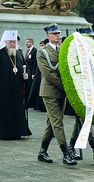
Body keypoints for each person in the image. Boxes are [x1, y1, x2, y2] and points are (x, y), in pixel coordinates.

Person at [36, 23, 77, 166]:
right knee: (58, 123)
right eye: (54, 33)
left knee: (52, 122)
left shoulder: (62, 50)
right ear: (48, 36)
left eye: (58, 33)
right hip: (50, 91)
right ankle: (66, 153)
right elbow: (49, 74)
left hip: (61, 92)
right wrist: (66, 87)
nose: (58, 35)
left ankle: (42, 151)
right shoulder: (42, 52)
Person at [67, 28, 94, 161]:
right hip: (81, 91)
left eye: (92, 37)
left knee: (82, 121)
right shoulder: (77, 53)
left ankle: (71, 147)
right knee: (84, 120)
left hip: (92, 91)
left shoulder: (93, 52)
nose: (92, 39)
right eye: (89, 37)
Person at [0, 30, 31, 140]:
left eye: (14, 42)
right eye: (10, 42)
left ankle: (18, 131)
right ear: (5, 42)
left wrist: (26, 75)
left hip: (17, 89)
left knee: (18, 109)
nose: (13, 44)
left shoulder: (19, 54)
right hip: (4, 90)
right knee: (5, 111)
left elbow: (27, 69)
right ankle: (5, 133)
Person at [28, 40, 46, 112]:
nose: (41, 47)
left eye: (42, 45)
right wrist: (33, 73)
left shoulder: (41, 52)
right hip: (37, 73)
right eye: (40, 45)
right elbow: (36, 64)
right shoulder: (39, 52)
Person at [25, 38, 37, 107]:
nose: (26, 43)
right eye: (26, 42)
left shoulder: (34, 51)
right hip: (27, 73)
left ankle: (32, 103)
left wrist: (33, 73)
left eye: (28, 42)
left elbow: (35, 63)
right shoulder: (27, 51)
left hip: (32, 73)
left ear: (31, 43)